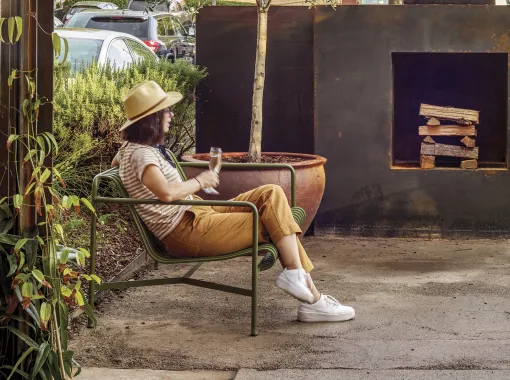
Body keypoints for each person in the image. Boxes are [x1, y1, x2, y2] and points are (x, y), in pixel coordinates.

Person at [113, 80, 354, 323]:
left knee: (270, 193)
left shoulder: (133, 149)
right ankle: (313, 298)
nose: (172, 115)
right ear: (152, 118)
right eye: (167, 110)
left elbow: (120, 163)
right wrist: (201, 181)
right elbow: (165, 193)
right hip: (185, 230)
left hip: (196, 213)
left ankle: (299, 279)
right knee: (278, 224)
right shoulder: (142, 153)